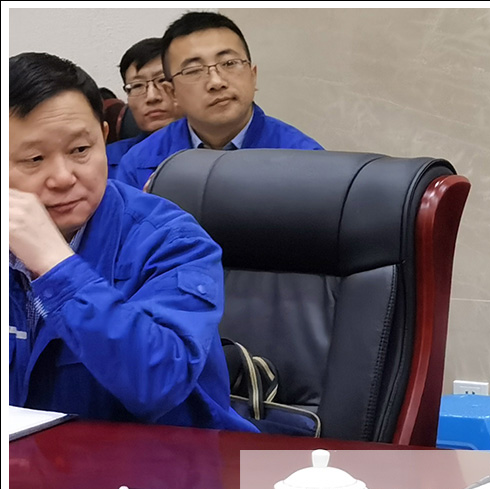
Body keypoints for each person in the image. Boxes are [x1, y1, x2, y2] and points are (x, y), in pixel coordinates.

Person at [8, 52, 256, 433]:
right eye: (34, 158)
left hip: (168, 462)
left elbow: (159, 382)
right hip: (31, 463)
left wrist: (57, 266)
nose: (62, 177)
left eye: (80, 150)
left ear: (104, 137)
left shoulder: (172, 239)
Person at [115, 12, 322, 189]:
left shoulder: (306, 161)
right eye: (193, 70)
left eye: (229, 63)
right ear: (173, 92)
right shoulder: (139, 164)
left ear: (253, 76)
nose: (216, 82)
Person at [106, 38, 182, 179]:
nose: (152, 97)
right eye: (137, 86)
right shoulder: (107, 163)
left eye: (162, 80)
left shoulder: (212, 146)